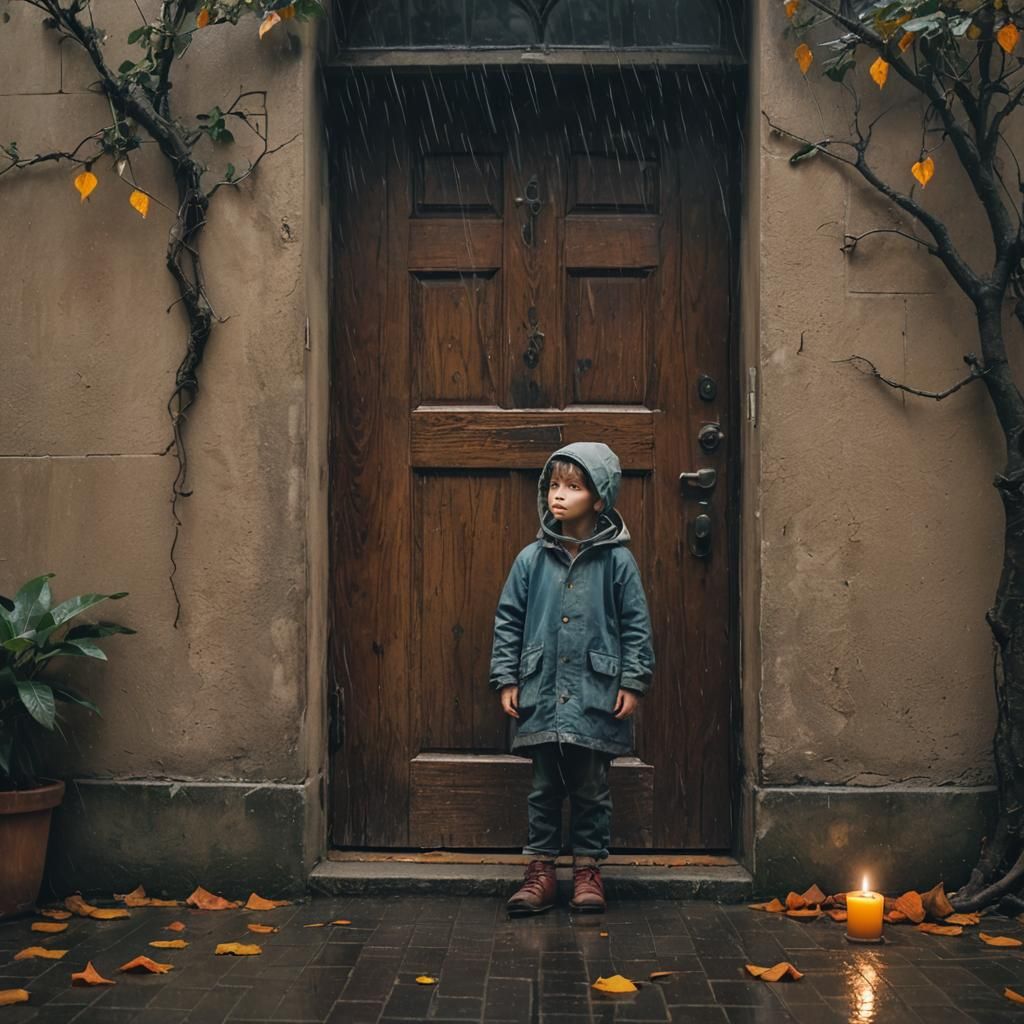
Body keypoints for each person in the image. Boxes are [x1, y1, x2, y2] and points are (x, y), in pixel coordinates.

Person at [489, 442, 655, 915]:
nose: (558, 496)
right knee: (543, 788)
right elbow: (509, 620)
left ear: (599, 498)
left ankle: (587, 870)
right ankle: (540, 870)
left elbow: (636, 625)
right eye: (554, 486)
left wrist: (632, 680)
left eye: (573, 487)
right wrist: (507, 678)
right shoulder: (531, 559)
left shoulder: (618, 563)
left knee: (591, 787)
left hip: (594, 692)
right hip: (540, 690)